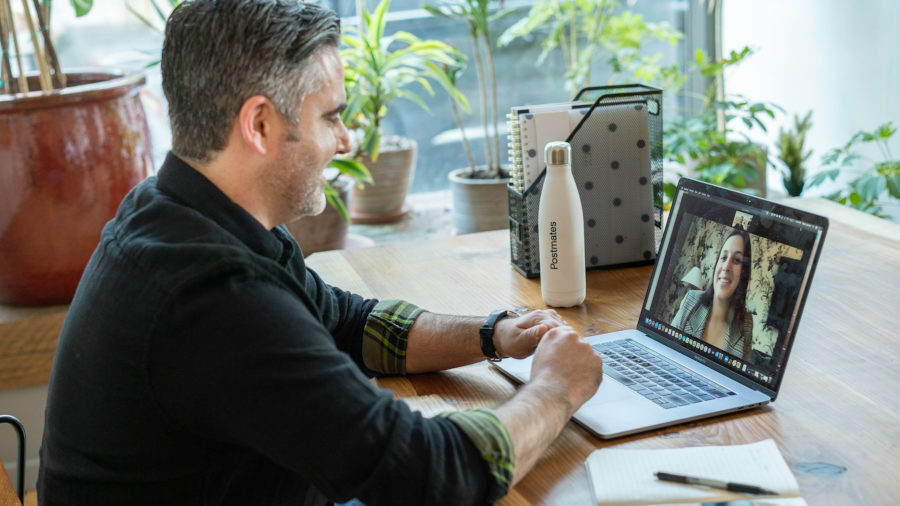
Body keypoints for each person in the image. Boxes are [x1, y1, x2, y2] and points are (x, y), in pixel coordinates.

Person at [36, 1, 604, 505]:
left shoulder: (182, 209)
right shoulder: (214, 297)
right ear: (259, 123)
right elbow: (431, 476)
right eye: (331, 115)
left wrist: (493, 333)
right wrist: (557, 387)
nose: (347, 139)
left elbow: (347, 323)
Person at [672, 228, 753, 358]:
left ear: (744, 273)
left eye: (737, 260)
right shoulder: (691, 299)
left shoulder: (746, 323)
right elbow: (666, 346)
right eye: (724, 257)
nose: (726, 267)